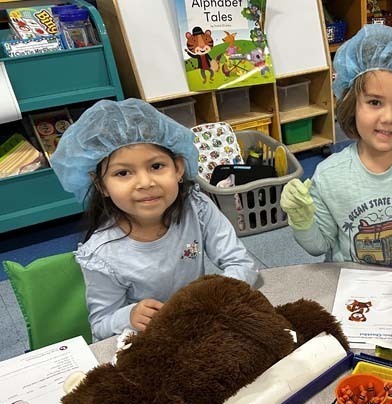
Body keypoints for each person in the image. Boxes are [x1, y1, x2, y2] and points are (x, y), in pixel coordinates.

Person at [50, 98, 258, 341]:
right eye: (123, 173)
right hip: (150, 342)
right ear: (101, 185)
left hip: (201, 325)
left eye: (157, 166)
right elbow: (100, 325)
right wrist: (129, 316)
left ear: (179, 168)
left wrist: (214, 294)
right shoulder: (101, 255)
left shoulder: (196, 207)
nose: (145, 183)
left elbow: (241, 263)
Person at [280, 24, 392, 266]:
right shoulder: (329, 175)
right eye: (375, 102)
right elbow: (318, 246)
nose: (388, 118)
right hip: (351, 289)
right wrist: (302, 220)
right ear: (352, 105)